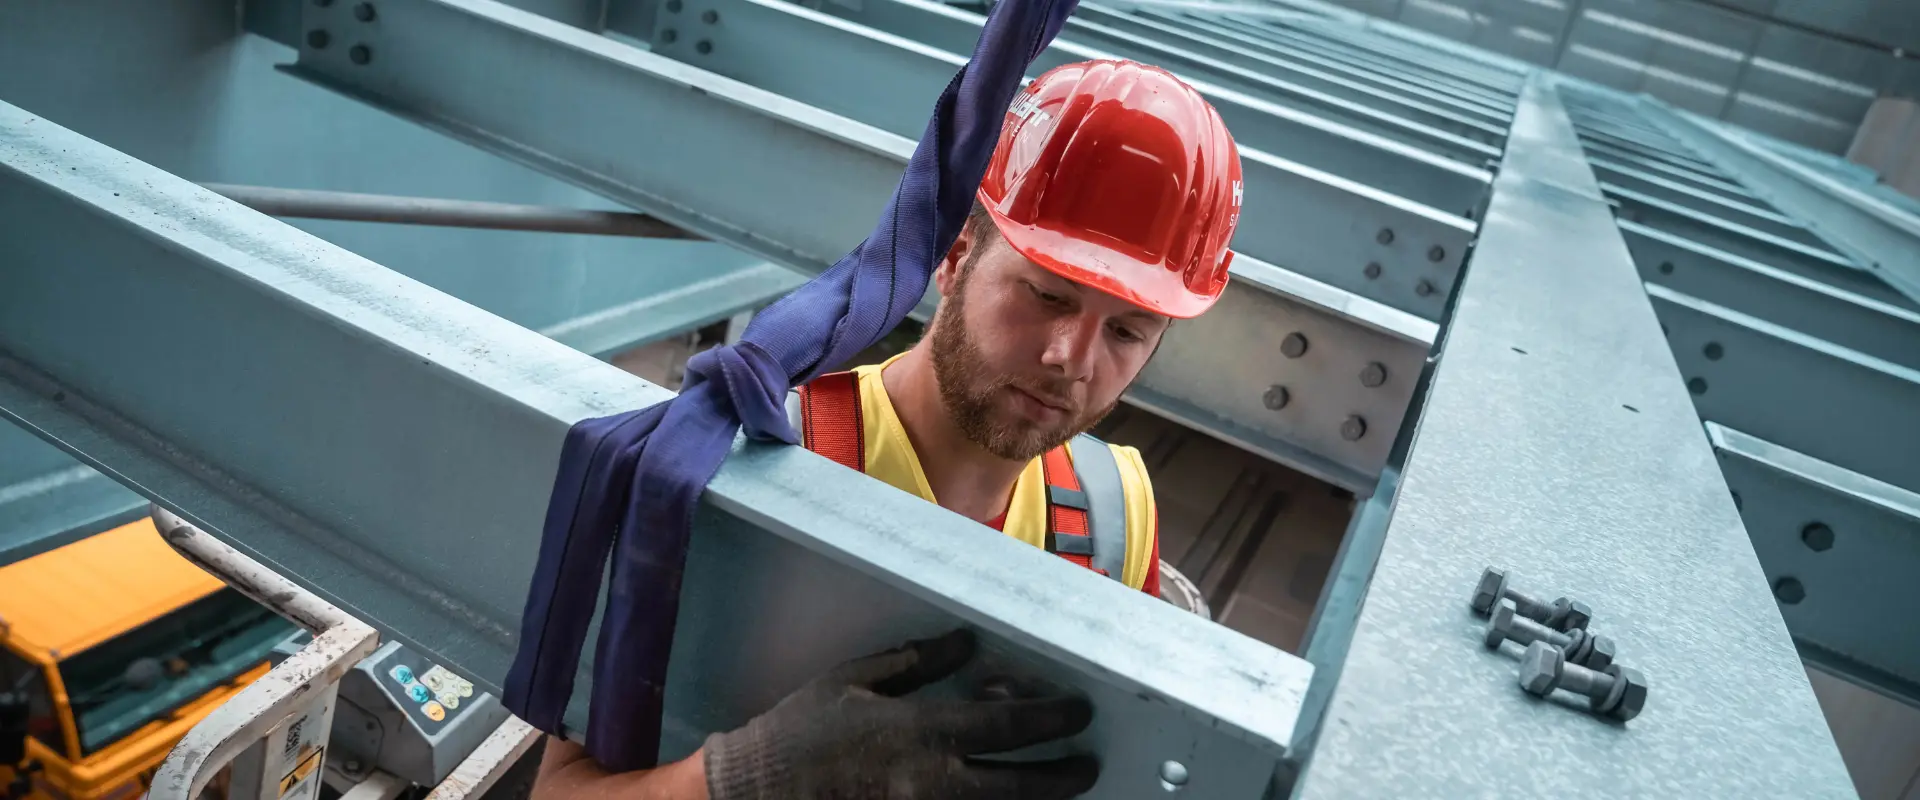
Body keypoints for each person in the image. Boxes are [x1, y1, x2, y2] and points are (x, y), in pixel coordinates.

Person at [531, 57, 1241, 799]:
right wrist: (747, 779)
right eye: (1046, 296)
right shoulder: (728, 465)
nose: (1071, 360)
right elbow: (559, 791)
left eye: (1127, 334)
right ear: (955, 259)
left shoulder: (1118, 517)